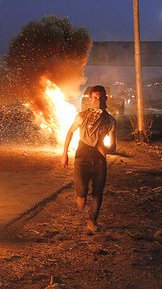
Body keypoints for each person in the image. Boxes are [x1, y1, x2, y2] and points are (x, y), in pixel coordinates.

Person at [60, 85, 117, 232]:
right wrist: (64, 153)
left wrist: (103, 148)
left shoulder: (110, 121)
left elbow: (113, 146)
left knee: (98, 192)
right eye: (95, 98)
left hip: (99, 161)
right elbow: (70, 132)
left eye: (101, 97)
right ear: (90, 99)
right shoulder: (82, 116)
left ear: (106, 98)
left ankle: (92, 221)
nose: (98, 100)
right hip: (81, 159)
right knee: (81, 196)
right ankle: (81, 198)